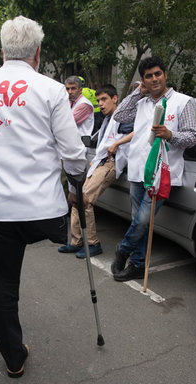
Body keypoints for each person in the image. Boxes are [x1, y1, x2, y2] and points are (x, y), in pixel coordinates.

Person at [0, 15, 87, 378]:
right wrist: (76, 189)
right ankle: (66, 237)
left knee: (3, 286)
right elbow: (73, 154)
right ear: (37, 52)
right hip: (47, 212)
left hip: (0, 212)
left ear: (1, 51)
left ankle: (14, 356)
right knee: (54, 234)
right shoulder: (52, 89)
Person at [111, 56, 196, 282]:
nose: (154, 79)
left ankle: (122, 250)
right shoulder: (141, 102)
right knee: (138, 221)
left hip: (162, 174)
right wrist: (137, 92)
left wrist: (171, 135)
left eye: (158, 74)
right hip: (138, 170)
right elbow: (119, 116)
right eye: (148, 76)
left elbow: (192, 137)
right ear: (143, 80)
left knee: (142, 221)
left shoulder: (183, 101)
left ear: (165, 75)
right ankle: (138, 264)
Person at [58, 84, 133, 258]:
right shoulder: (106, 119)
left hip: (110, 163)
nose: (101, 104)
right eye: (98, 100)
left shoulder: (123, 117)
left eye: (104, 99)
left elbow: (138, 132)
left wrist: (117, 144)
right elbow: (103, 142)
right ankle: (76, 241)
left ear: (115, 99)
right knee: (77, 197)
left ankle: (93, 243)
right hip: (99, 162)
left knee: (85, 200)